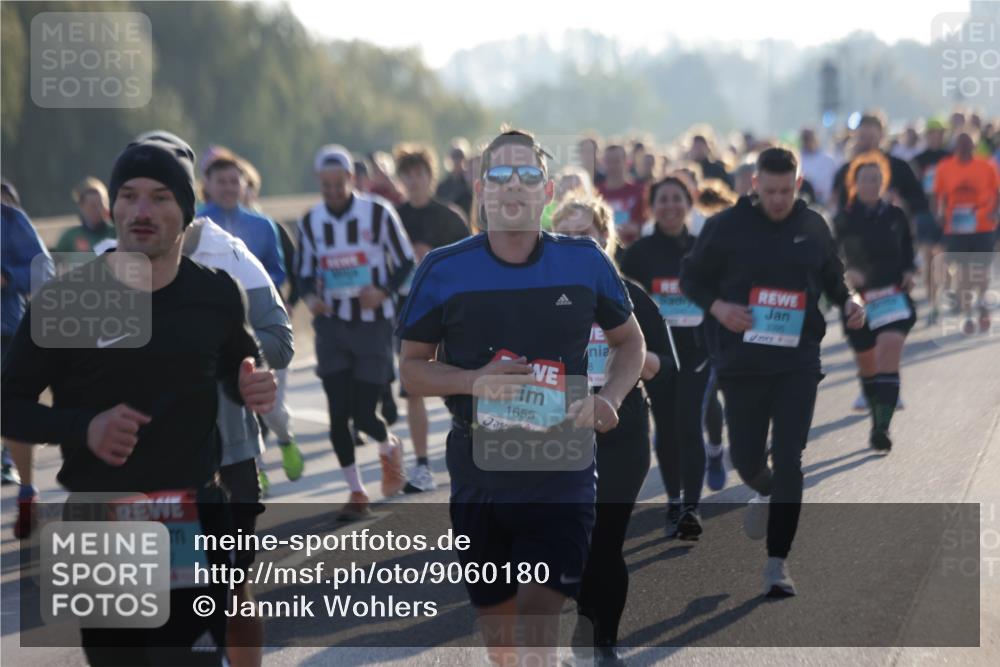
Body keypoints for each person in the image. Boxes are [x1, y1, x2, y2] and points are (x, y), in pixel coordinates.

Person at [1, 134, 277, 666]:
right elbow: (8, 403)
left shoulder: (217, 292)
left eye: (159, 197)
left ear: (187, 210)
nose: (140, 211)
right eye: (127, 195)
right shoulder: (67, 301)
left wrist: (251, 381)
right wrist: (84, 428)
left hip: (191, 517)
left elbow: (238, 361)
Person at [398, 129, 645, 665]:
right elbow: (412, 372)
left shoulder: (584, 262)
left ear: (547, 191)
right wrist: (473, 380)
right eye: (502, 175)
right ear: (482, 188)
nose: (515, 186)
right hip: (479, 472)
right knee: (502, 643)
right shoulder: (443, 270)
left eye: (528, 175)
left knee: (537, 630)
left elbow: (630, 342)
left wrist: (612, 398)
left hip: (563, 468)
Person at [680, 147, 865, 597]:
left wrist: (851, 301)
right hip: (741, 363)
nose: (778, 199)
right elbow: (691, 278)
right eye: (770, 191)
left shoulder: (813, 226)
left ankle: (777, 564)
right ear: (754, 186)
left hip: (796, 361)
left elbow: (834, 277)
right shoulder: (725, 226)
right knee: (746, 459)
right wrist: (719, 307)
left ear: (797, 184)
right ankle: (763, 489)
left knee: (789, 460)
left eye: (786, 190)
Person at [552, 194, 665, 664]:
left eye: (588, 236)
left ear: (605, 239)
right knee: (577, 544)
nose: (579, 244)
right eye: (568, 237)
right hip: (561, 430)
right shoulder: (541, 299)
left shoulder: (629, 293)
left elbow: (659, 364)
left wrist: (622, 359)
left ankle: (605, 645)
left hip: (623, 427)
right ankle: (586, 617)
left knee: (607, 540)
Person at [296, 144, 415, 520]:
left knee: (364, 415)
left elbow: (405, 263)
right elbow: (301, 272)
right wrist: (312, 297)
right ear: (319, 182)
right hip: (331, 325)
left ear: (351, 178)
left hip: (372, 324)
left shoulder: (378, 213)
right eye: (325, 184)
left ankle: (387, 444)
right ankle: (356, 491)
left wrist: (381, 291)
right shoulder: (311, 222)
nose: (332, 190)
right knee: (337, 414)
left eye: (338, 182)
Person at [623, 177, 720, 539]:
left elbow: (720, 294)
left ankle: (692, 508)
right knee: (665, 427)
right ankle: (675, 501)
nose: (670, 206)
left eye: (677, 198)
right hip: (657, 355)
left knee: (688, 424)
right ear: (652, 206)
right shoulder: (637, 253)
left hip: (697, 351)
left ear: (689, 202)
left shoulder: (703, 248)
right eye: (662, 199)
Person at [393, 142, 470, 492]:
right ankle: (422, 465)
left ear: (430, 175)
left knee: (460, 383)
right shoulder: (392, 219)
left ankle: (470, 447)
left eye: (419, 174)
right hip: (409, 312)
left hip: (451, 313)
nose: (413, 181)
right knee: (413, 389)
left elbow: (470, 266)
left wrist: (431, 259)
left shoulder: (450, 216)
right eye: (407, 175)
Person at [834, 152, 916, 453]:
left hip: (893, 296)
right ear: (855, 183)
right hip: (860, 301)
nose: (871, 184)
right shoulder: (843, 219)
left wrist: (909, 271)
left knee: (889, 351)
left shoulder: (896, 216)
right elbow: (833, 258)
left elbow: (908, 250)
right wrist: (847, 272)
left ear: (884, 182)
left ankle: (882, 428)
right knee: (868, 366)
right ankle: (874, 417)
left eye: (876, 179)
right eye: (865, 179)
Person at [1, 202, 55, 537]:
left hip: (6, 332)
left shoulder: (10, 219)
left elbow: (42, 269)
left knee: (13, 411)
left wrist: (6, 277)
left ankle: (27, 491)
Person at [932, 128, 1000, 333]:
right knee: (962, 273)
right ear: (955, 146)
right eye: (960, 143)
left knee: (980, 272)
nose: (964, 147)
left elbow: (997, 192)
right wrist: (939, 213)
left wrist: (995, 212)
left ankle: (982, 308)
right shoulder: (945, 168)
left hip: (983, 226)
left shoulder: (987, 165)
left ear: (975, 145)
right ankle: (968, 313)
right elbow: (938, 195)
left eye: (968, 143)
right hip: (957, 227)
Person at [198, 155, 287, 290]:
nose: (228, 188)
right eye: (221, 182)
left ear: (245, 185)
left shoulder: (264, 225)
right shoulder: (194, 224)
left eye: (234, 182)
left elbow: (276, 272)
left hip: (254, 305)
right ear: (207, 185)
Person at [911, 118, 952, 326]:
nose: (935, 137)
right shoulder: (918, 159)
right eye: (932, 133)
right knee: (928, 258)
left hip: (946, 214)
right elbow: (912, 188)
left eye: (939, 133)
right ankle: (933, 303)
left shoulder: (949, 156)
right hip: (924, 214)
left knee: (943, 259)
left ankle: (948, 288)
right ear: (927, 136)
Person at [598, 144, 648, 249]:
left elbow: (650, 223)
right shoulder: (596, 194)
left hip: (634, 250)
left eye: (616, 161)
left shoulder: (640, 191)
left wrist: (637, 228)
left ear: (627, 162)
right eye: (608, 161)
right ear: (603, 164)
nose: (612, 166)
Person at [54, 177, 117, 254]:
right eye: (93, 206)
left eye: (101, 205)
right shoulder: (69, 238)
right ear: (81, 206)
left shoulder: (116, 233)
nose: (98, 210)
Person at [798, 128, 837, 206]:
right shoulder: (798, 158)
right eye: (805, 138)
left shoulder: (828, 160)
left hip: (825, 204)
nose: (807, 141)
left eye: (810, 138)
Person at [435, 139, 474, 215]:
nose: (457, 160)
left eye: (460, 156)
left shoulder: (470, 184)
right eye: (454, 156)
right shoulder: (442, 186)